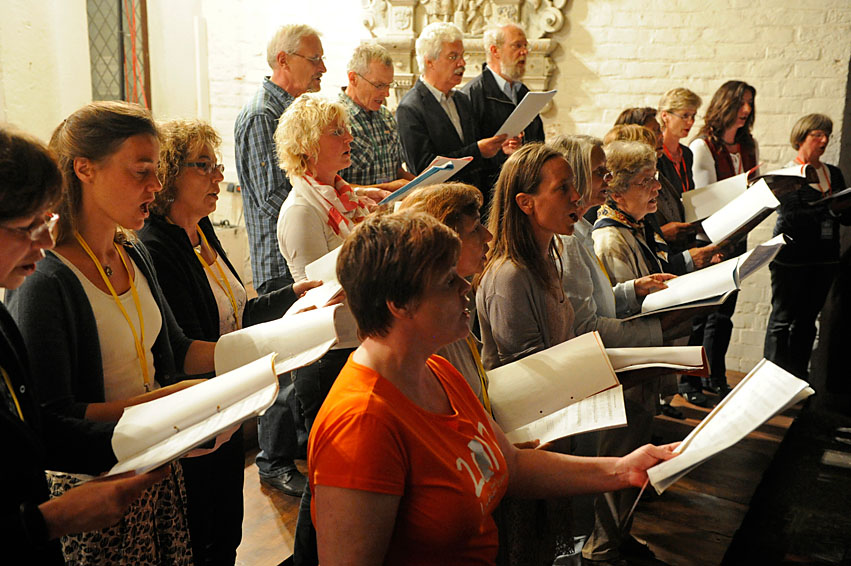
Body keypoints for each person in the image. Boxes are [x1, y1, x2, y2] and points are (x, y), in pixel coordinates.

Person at [308, 210, 678, 565]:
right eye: (448, 281)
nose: (467, 287)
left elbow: (512, 465)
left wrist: (622, 469)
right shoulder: (361, 424)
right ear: (399, 304)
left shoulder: (437, 371)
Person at [5, 101, 217, 565]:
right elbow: (54, 417)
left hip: (152, 467)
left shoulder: (134, 254)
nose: (156, 186)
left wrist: (260, 354)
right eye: (141, 171)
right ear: (85, 169)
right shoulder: (45, 278)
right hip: (91, 486)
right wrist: (173, 406)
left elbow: (174, 352)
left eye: (158, 171)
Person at [137, 119, 319, 565]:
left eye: (217, 165)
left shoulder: (200, 231)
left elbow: (237, 313)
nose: (219, 176)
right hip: (199, 412)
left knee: (227, 533)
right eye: (204, 166)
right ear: (170, 174)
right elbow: (184, 351)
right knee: (205, 540)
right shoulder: (157, 246)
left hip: (230, 405)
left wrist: (292, 297)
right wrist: (276, 346)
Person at [274, 93, 385, 566]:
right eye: (336, 132)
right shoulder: (302, 211)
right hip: (326, 354)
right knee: (328, 475)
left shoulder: (347, 197)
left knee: (351, 472)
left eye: (346, 129)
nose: (349, 138)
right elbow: (315, 294)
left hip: (356, 343)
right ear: (305, 146)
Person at [234, 23, 326, 497]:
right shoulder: (259, 114)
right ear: (283, 61)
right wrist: (321, 205)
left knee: (303, 365)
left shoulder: (290, 108)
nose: (323, 69)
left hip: (297, 245)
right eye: (315, 60)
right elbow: (271, 195)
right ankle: (271, 460)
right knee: (284, 365)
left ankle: (294, 451)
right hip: (277, 256)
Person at [585, 139, 680, 564]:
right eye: (645, 182)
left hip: (641, 365)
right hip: (623, 369)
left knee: (633, 453)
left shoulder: (634, 227)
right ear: (616, 192)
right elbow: (624, 315)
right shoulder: (609, 240)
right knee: (618, 459)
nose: (656, 188)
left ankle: (618, 538)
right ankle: (602, 550)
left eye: (656, 178)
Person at [551, 134, 675, 347]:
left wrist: (631, 290)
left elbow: (596, 302)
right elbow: (584, 327)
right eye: (600, 172)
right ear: (575, 177)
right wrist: (658, 331)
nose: (609, 179)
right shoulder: (569, 241)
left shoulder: (582, 231)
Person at [764, 114, 850, 379]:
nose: (824, 140)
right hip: (791, 259)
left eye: (827, 135)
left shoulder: (832, 173)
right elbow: (790, 218)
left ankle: (797, 381)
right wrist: (828, 209)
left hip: (824, 259)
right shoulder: (787, 175)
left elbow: (845, 216)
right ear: (801, 137)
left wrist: (836, 212)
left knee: (806, 323)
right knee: (781, 321)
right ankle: (770, 380)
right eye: (817, 134)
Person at [689, 80, 759, 397]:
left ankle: (714, 373)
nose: (746, 110)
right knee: (703, 313)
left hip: (738, 235)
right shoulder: (703, 146)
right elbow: (704, 201)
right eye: (740, 103)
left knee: (725, 313)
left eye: (750, 104)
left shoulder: (747, 144)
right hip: (711, 238)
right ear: (725, 104)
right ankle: (692, 379)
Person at [398, 182, 493, 408]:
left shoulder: (454, 306)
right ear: (444, 240)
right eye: (475, 228)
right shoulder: (429, 335)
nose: (488, 236)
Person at [396, 21, 510, 195]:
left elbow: (478, 156)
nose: (462, 63)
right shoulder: (410, 107)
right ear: (429, 62)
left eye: (462, 56)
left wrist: (500, 149)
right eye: (453, 57)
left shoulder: (462, 99)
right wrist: (478, 151)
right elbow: (423, 168)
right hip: (438, 203)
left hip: (471, 200)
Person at [462, 23, 545, 200]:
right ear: (495, 50)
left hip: (524, 188)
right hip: (490, 195)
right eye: (517, 45)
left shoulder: (524, 92)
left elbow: (538, 139)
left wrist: (522, 149)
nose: (525, 52)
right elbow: (468, 155)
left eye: (525, 46)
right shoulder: (472, 94)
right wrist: (501, 153)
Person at [338, 43, 414, 190]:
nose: (386, 94)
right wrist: (385, 189)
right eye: (379, 85)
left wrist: (423, 186)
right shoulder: (334, 119)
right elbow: (329, 186)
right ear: (353, 78)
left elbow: (397, 172)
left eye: (389, 85)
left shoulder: (386, 116)